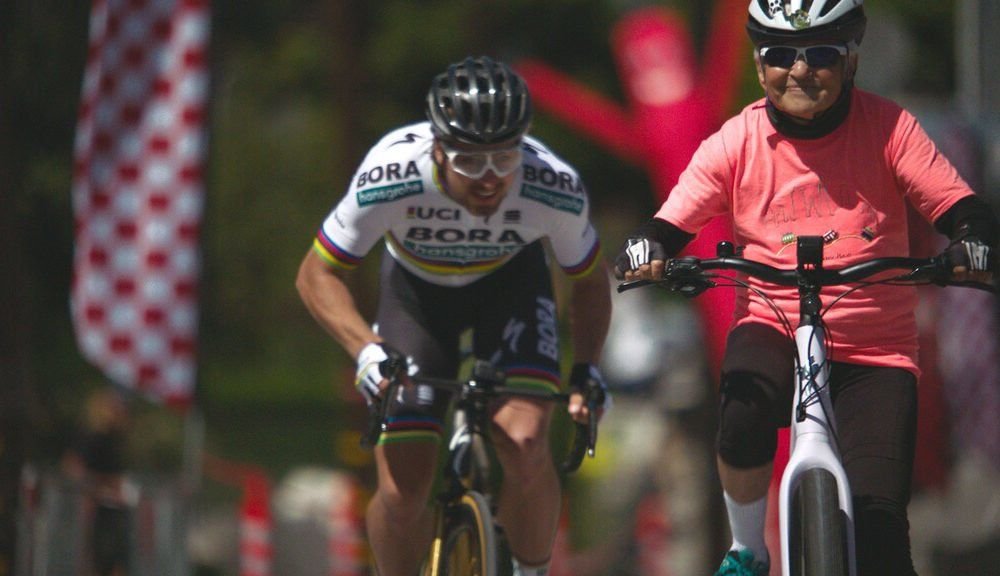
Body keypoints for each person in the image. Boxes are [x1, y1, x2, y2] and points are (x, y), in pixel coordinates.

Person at [613, 1, 997, 575]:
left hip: (876, 348)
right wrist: (647, 251)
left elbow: (958, 205)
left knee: (881, 528)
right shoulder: (736, 139)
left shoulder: (891, 128)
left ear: (851, 58)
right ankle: (747, 550)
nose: (799, 70)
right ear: (757, 61)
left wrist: (971, 242)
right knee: (740, 420)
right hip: (771, 322)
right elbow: (671, 223)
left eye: (820, 54)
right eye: (780, 55)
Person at [296, 56, 612, 576]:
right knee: (402, 490)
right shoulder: (391, 175)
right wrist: (365, 349)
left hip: (510, 286)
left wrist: (587, 370)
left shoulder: (551, 183)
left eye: (504, 160)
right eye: (469, 162)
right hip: (417, 300)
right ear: (437, 149)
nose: (490, 180)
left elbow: (590, 279)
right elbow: (315, 274)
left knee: (527, 441)